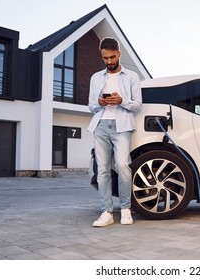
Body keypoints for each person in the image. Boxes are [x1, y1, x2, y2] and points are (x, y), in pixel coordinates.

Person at [87, 37, 142, 227]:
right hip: (100, 125)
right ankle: (106, 212)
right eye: (105, 58)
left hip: (122, 126)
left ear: (119, 54)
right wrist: (99, 103)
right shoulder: (96, 77)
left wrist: (121, 101)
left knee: (123, 166)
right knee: (103, 170)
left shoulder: (132, 77)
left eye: (112, 57)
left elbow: (137, 105)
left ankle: (126, 209)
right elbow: (91, 106)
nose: (109, 61)